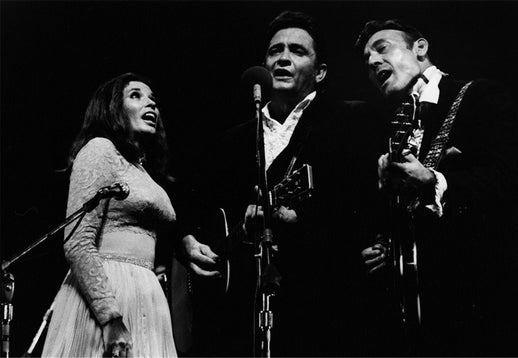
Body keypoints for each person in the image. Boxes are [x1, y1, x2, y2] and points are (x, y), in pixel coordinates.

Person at [176, 10, 380, 357]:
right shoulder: (231, 140)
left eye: (298, 51)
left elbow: (366, 211)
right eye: (275, 51)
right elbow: (189, 205)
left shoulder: (351, 122)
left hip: (320, 307)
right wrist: (187, 241)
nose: (283, 58)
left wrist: (302, 221)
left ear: (321, 72)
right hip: (236, 314)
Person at [355, 19, 518, 356]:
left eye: (382, 48)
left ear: (420, 48)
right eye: (367, 58)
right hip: (430, 319)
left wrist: (435, 181)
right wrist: (390, 246)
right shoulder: (389, 133)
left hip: (493, 310)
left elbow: (512, 183)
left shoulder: (480, 94)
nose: (372, 62)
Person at [41, 73, 178, 357]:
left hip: (147, 294)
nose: (151, 104)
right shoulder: (100, 150)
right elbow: (77, 243)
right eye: (136, 96)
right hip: (110, 293)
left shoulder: (142, 171)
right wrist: (110, 317)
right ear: (112, 108)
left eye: (153, 99)